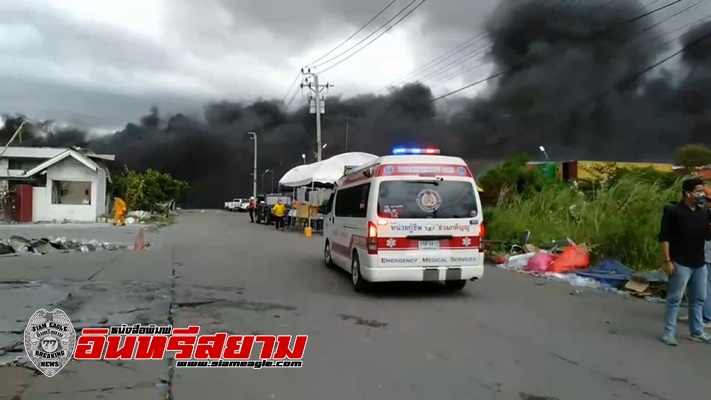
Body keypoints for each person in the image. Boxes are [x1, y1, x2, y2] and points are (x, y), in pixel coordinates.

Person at [659, 178, 711, 346]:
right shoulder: (674, 212)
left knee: (698, 299)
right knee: (675, 299)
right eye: (699, 191)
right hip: (680, 262)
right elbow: (665, 238)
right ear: (688, 193)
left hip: (699, 263)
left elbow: (706, 236)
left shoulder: (702, 213)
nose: (702, 194)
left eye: (703, 191)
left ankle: (697, 331)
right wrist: (668, 261)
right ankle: (669, 333)